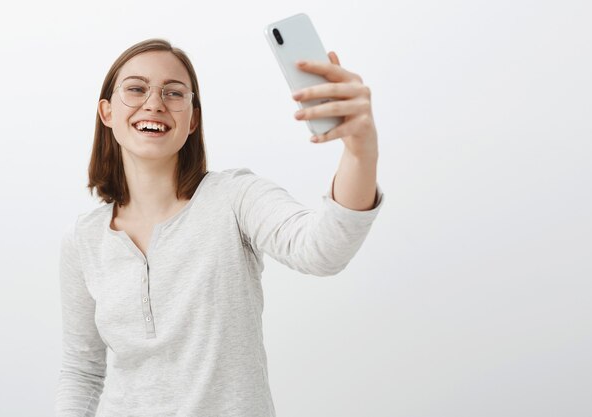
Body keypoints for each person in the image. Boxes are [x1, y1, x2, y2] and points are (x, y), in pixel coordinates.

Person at [55, 38, 383, 417]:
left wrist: (361, 150)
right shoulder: (83, 239)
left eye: (174, 92)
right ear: (107, 112)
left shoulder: (235, 197)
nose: (155, 102)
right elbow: (81, 371)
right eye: (136, 88)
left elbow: (323, 251)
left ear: (193, 119)